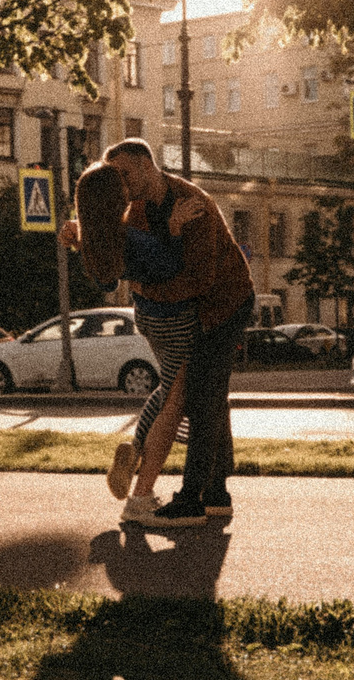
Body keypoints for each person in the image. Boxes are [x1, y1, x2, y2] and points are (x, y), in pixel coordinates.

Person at [103, 138, 255, 523]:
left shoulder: (194, 203)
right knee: (201, 395)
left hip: (223, 306)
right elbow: (139, 257)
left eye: (124, 174)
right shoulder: (136, 210)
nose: (120, 184)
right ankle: (217, 493)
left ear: (145, 165)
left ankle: (191, 499)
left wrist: (147, 289)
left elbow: (202, 280)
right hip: (185, 312)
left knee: (200, 398)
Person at [70, 163, 199, 524]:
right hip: (174, 318)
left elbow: (108, 284)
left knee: (170, 388)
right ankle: (141, 493)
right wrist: (174, 228)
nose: (128, 191)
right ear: (114, 199)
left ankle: (133, 451)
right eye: (122, 188)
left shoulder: (97, 240)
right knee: (176, 398)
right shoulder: (131, 238)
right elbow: (172, 268)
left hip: (148, 318)